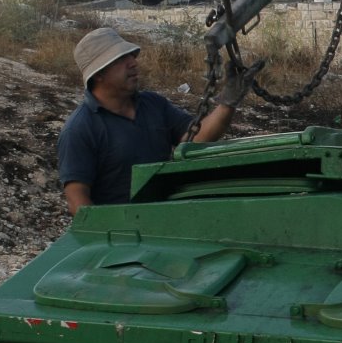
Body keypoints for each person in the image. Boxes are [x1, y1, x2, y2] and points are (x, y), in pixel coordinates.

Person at [57, 27, 263, 216]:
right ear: (99, 73)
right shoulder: (80, 129)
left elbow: (196, 138)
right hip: (123, 234)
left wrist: (227, 103)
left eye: (131, 56)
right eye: (121, 58)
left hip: (165, 221)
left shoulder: (153, 104)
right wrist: (113, 237)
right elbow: (78, 202)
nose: (133, 63)